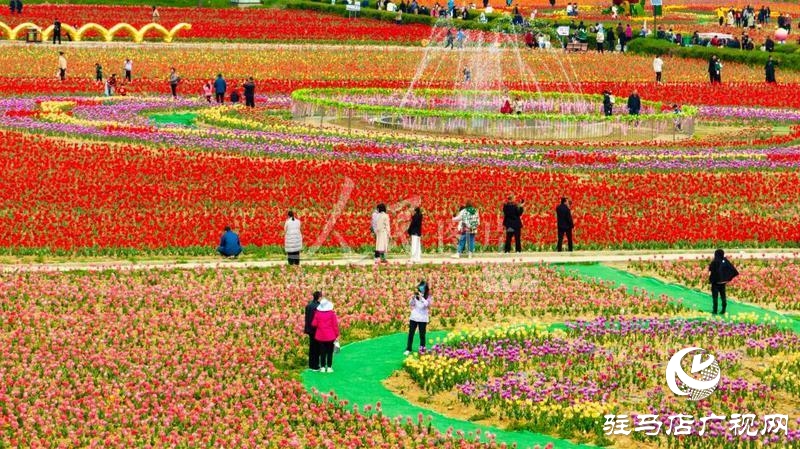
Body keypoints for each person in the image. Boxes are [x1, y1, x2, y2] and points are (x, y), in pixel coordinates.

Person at [311, 298, 339, 373]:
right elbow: (335, 325)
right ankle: (329, 367)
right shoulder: (332, 314)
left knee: (322, 352)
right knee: (330, 352)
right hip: (330, 336)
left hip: (320, 336)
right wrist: (337, 334)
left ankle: (322, 367)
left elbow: (314, 324)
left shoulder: (317, 313)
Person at [404, 280, 431, 355]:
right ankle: (408, 349)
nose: (421, 290)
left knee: (422, 335)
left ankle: (422, 349)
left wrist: (421, 298)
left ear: (425, 289)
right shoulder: (416, 296)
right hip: (414, 317)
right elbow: (411, 304)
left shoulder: (428, 297)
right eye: (420, 288)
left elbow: (427, 305)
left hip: (422, 318)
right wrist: (413, 298)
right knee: (411, 333)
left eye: (422, 288)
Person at [708, 249, 738, 315]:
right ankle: (723, 310)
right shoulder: (725, 261)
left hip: (715, 283)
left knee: (715, 297)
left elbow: (710, 271)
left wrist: (710, 279)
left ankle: (715, 310)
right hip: (723, 283)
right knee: (723, 296)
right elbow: (732, 269)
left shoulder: (714, 261)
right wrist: (727, 278)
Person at [304, 291, 322, 371]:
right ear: (319, 297)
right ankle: (315, 365)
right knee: (317, 348)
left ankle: (311, 364)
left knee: (312, 347)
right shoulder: (319, 306)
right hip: (316, 329)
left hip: (309, 329)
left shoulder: (308, 305)